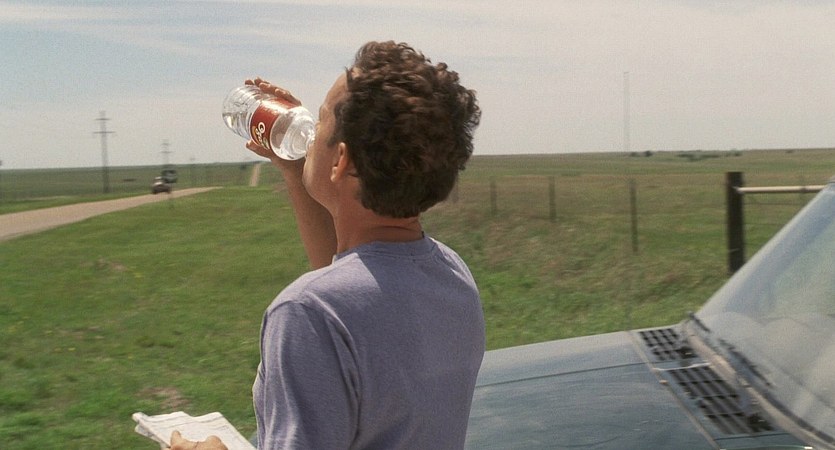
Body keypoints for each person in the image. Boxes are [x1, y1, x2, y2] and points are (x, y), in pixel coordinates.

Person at [170, 40, 484, 450]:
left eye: (317, 121)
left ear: (341, 161)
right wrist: (295, 170)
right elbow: (352, 285)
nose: (305, 131)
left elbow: (336, 304)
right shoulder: (452, 275)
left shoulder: (306, 314)